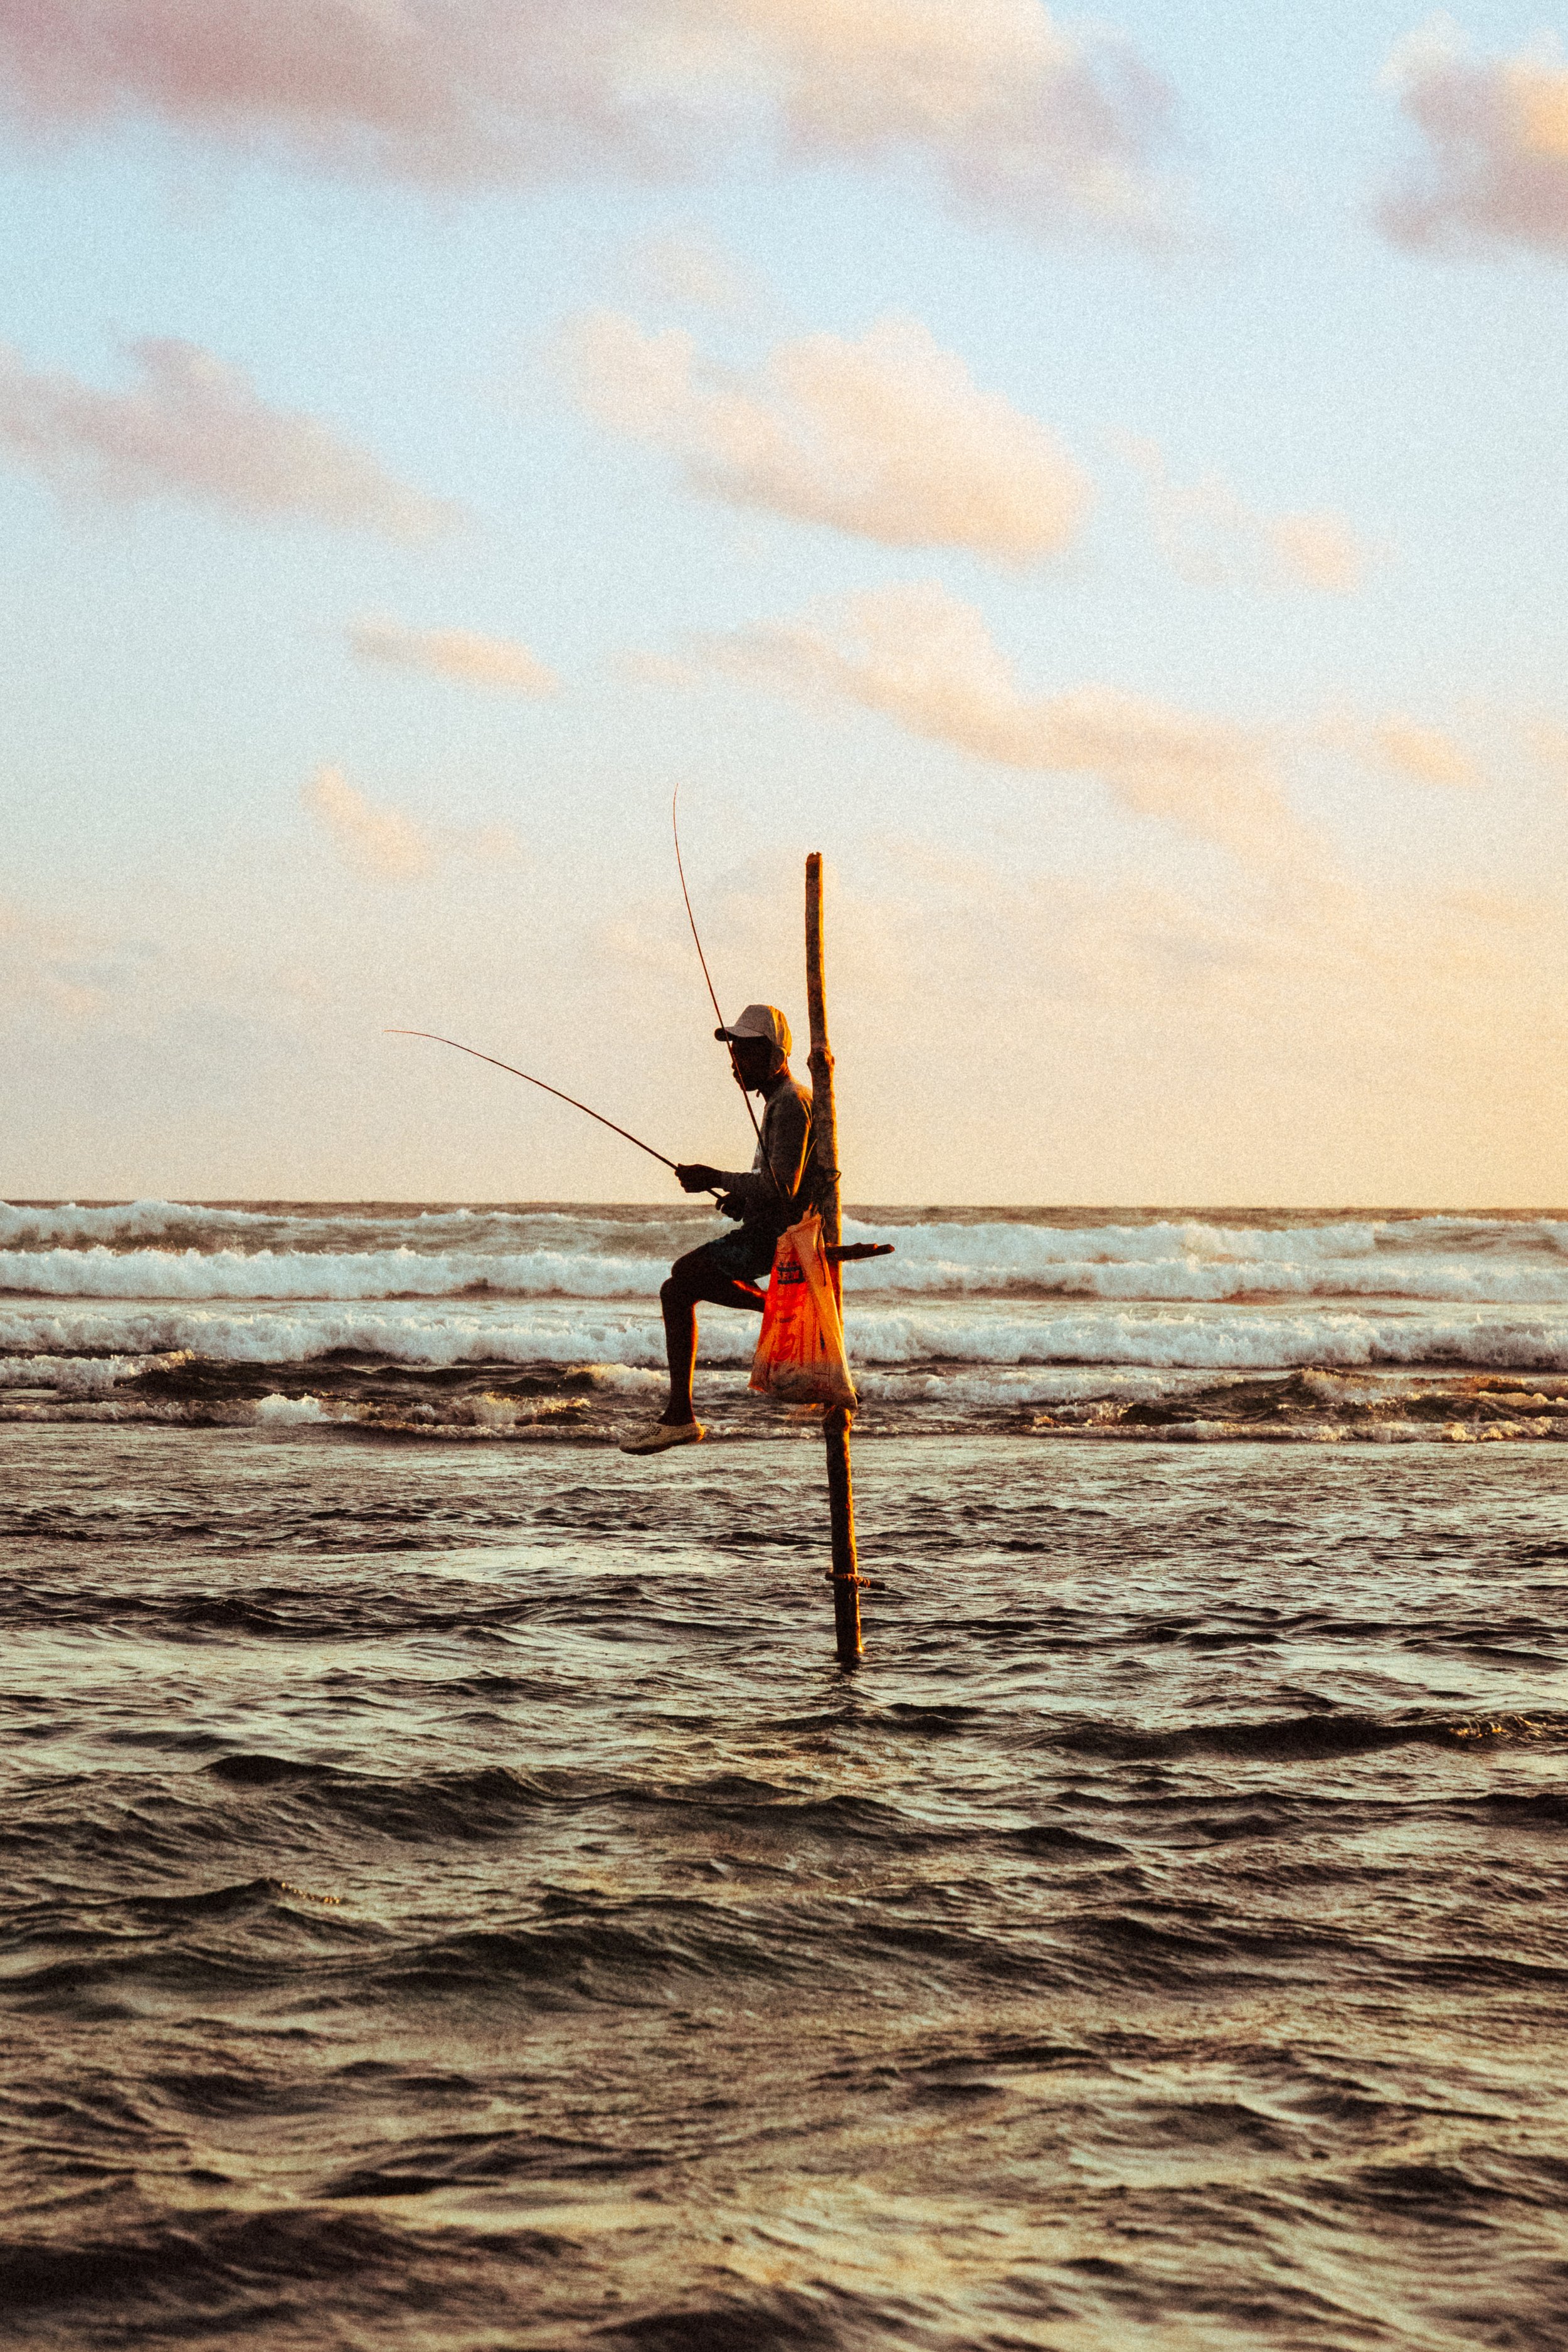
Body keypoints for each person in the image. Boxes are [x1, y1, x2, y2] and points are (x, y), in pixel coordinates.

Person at [620, 1003, 824, 1454]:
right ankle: (680, 1416)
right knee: (676, 1290)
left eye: (747, 1053)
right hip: (766, 1228)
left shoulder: (791, 1103)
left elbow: (782, 1187)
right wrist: (741, 1199)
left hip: (778, 1239)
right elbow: (768, 1186)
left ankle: (777, 1311)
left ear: (774, 1054)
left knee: (684, 1271)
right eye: (735, 1053)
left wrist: (713, 1177)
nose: (736, 1063)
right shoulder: (780, 1102)